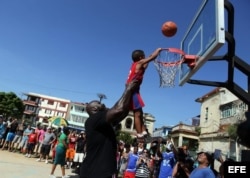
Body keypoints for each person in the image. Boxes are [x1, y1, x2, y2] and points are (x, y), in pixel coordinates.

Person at [80, 79, 140, 178]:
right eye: (101, 104)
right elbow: (118, 109)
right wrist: (128, 89)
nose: (104, 105)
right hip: (94, 173)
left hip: (99, 172)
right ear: (95, 109)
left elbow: (122, 113)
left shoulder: (103, 124)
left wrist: (131, 93)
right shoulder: (94, 119)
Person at [126, 48, 162, 142]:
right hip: (132, 90)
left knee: (140, 113)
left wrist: (151, 56)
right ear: (141, 57)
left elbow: (148, 60)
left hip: (134, 90)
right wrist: (158, 50)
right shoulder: (139, 63)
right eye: (144, 57)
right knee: (137, 114)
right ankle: (139, 135)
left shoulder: (136, 65)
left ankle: (144, 131)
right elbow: (151, 58)